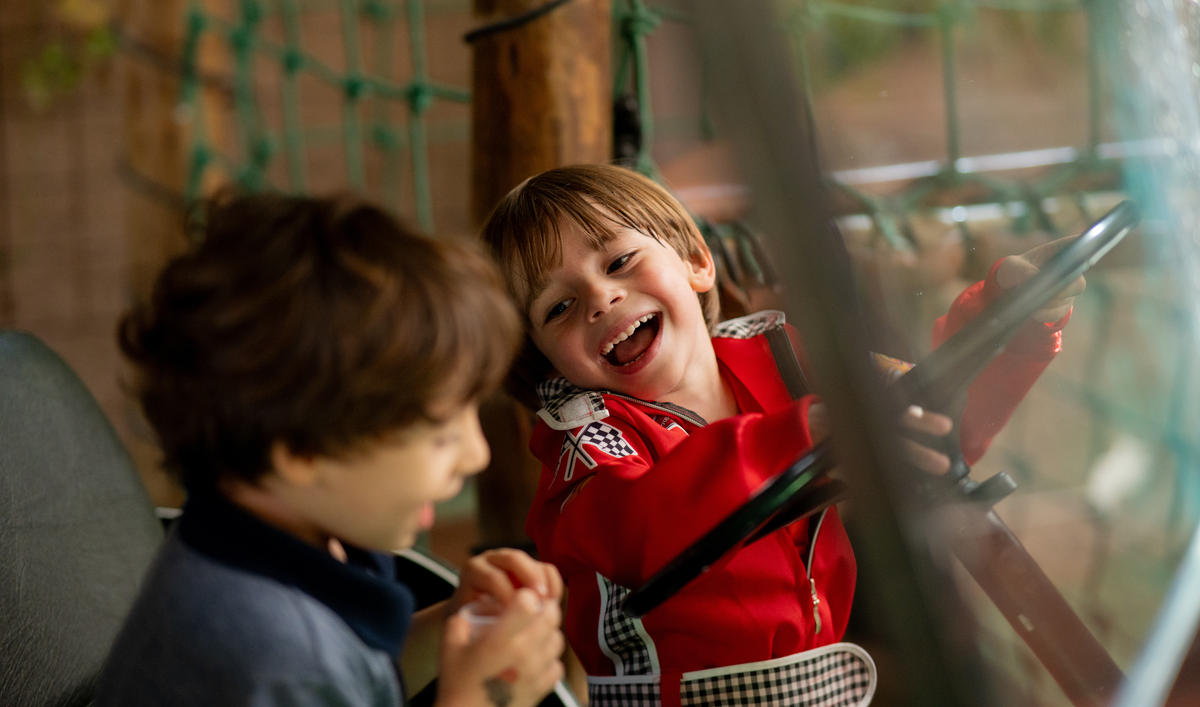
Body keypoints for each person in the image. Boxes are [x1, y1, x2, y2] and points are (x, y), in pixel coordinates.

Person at [480, 164, 1081, 707]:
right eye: (558, 308)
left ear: (696, 260)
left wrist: (1012, 322)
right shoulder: (585, 441)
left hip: (826, 682)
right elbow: (637, 527)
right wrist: (805, 433)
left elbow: (927, 426)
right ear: (548, 362)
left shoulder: (785, 359)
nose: (601, 297)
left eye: (619, 262)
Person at [95, 193, 566, 707]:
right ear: (301, 452)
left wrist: (451, 624)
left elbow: (352, 682)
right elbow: (317, 673)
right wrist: (483, 697)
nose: (478, 455)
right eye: (442, 435)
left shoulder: (248, 537)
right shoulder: (273, 655)